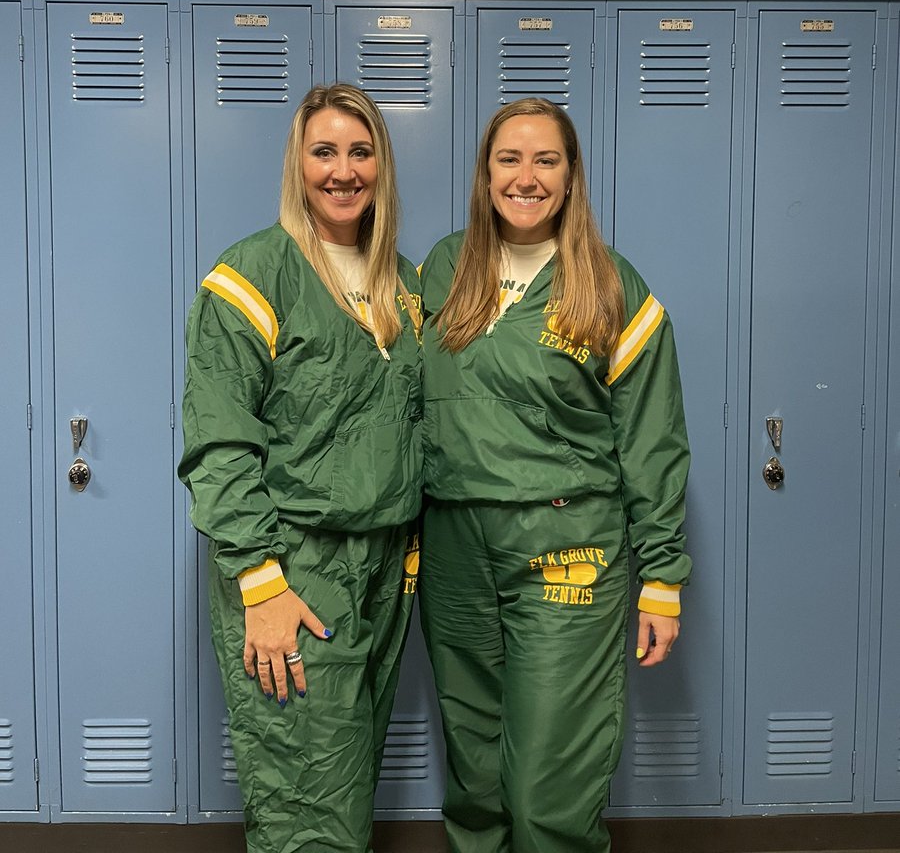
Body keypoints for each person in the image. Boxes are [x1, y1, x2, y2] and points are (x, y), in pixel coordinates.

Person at [418, 97, 691, 853]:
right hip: (453, 550)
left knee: (548, 782)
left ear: (571, 178)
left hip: (567, 543)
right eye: (509, 159)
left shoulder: (608, 285)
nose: (526, 177)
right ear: (485, 174)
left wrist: (662, 576)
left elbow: (652, 437)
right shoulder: (444, 268)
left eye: (546, 160)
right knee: (474, 775)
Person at [179, 83, 422, 853]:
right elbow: (219, 443)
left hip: (386, 571)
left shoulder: (403, 285)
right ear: (298, 164)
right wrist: (260, 580)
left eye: (361, 151)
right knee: (306, 803)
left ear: (381, 165)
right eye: (324, 151)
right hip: (296, 570)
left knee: (346, 785)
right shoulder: (253, 274)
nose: (343, 170)